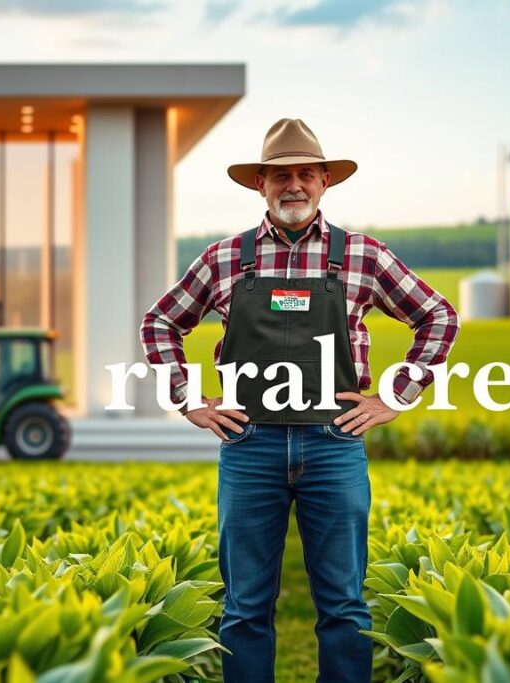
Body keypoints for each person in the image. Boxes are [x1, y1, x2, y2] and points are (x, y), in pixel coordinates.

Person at [139, 118, 460, 682]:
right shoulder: (224, 259)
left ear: (325, 181)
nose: (294, 186)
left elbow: (438, 316)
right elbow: (161, 321)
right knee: (243, 610)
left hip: (334, 442)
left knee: (343, 607)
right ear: (259, 184)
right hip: (249, 445)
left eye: (305, 174)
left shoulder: (362, 255)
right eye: (280, 175)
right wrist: (188, 398)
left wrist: (395, 395)